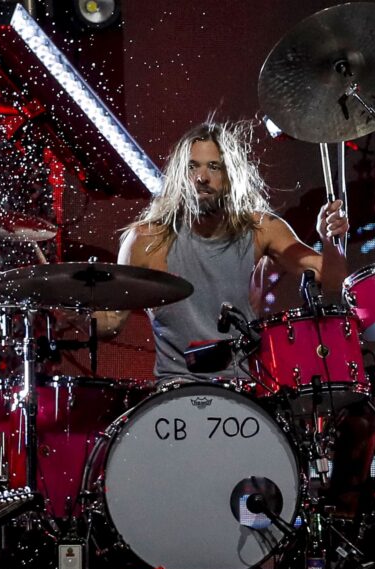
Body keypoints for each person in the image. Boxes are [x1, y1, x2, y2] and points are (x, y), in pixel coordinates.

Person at [93, 121, 349, 381]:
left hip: (243, 392)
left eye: (213, 166)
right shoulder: (144, 239)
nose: (201, 177)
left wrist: (329, 242)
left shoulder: (262, 229)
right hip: (174, 396)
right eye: (192, 166)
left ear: (231, 175)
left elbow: (332, 281)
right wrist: (63, 303)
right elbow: (109, 324)